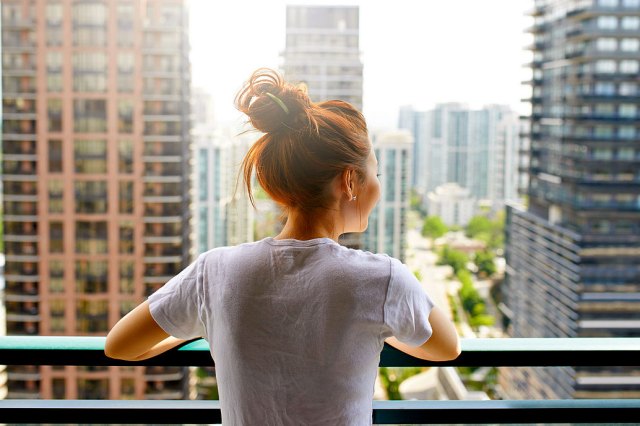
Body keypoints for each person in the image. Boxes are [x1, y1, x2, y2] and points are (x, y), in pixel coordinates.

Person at [105, 68, 460, 425]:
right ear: (350, 180)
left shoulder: (215, 271)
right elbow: (446, 347)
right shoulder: (383, 279)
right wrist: (383, 330)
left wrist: (206, 329)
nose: (378, 187)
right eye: (375, 175)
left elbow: (119, 345)